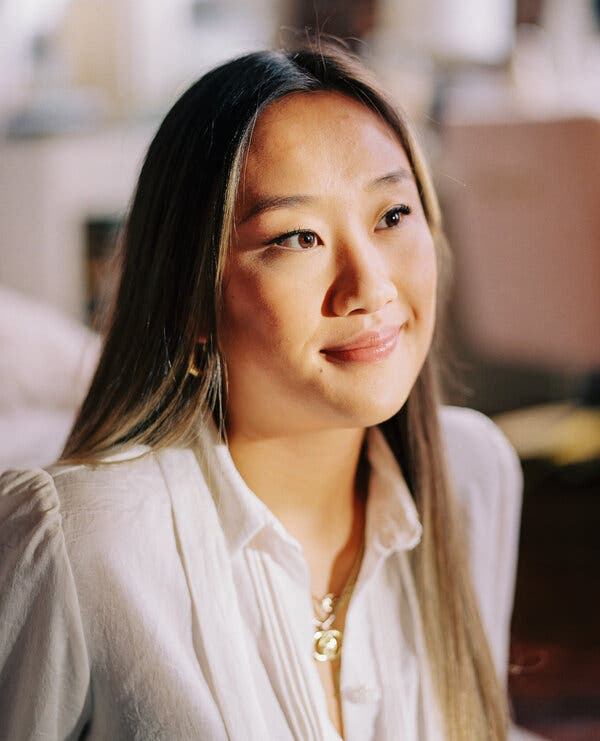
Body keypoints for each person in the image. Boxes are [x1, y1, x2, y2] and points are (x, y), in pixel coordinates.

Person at [0, 43, 525, 740]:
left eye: (393, 215)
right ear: (191, 300)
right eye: (298, 237)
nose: (370, 286)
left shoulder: (472, 475)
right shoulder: (79, 541)